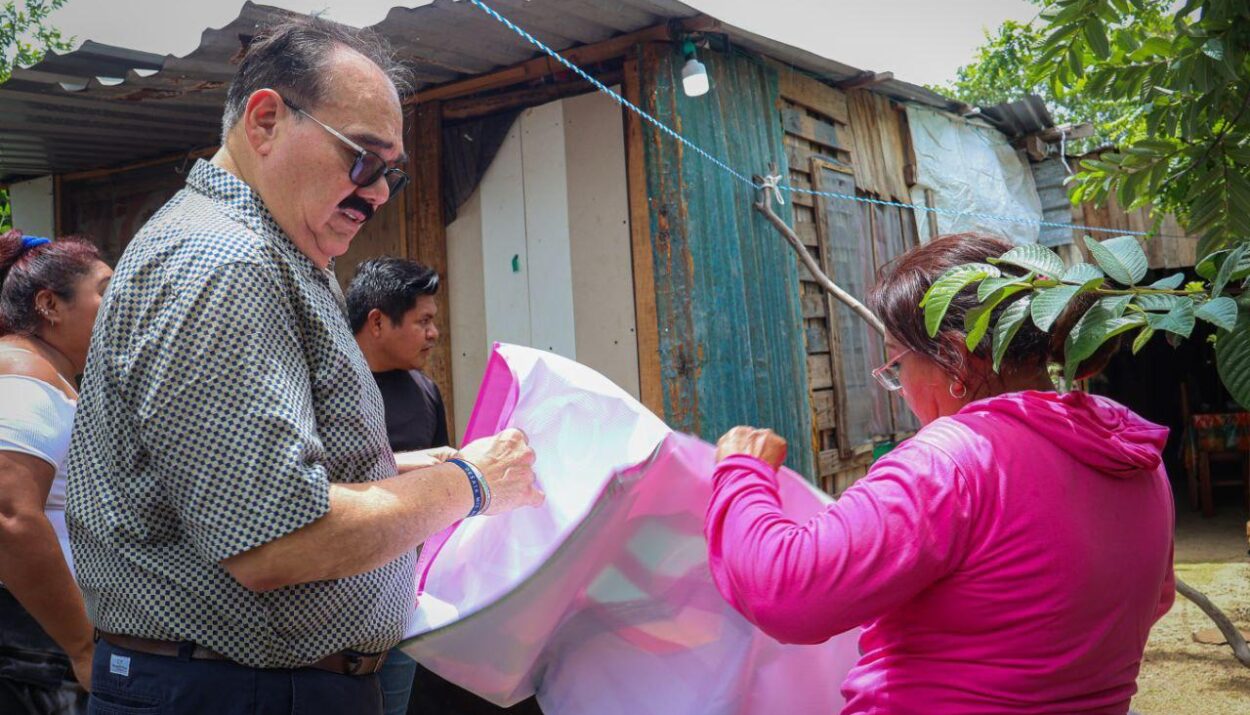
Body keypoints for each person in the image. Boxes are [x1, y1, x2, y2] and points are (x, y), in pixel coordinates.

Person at [65, 18, 543, 715]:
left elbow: (221, 484)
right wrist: (468, 483)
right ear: (265, 121)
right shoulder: (225, 262)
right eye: (364, 159)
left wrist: (400, 470)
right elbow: (275, 538)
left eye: (394, 174)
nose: (379, 193)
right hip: (238, 691)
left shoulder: (266, 247)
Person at [705, 233, 1175, 714]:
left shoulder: (952, 463)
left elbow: (785, 590)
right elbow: (1155, 600)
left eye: (896, 363)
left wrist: (743, 471)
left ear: (955, 356)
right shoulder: (1131, 449)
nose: (899, 388)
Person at [347, 257, 544, 715]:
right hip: (337, 607)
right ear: (378, 321)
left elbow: (446, 492)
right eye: (424, 321)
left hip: (405, 605)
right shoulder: (330, 387)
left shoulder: (423, 390)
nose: (435, 333)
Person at [0, 231, 112, 714]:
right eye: (105, 289)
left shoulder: (46, 375)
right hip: (33, 653)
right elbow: (10, 519)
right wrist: (81, 647)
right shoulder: (23, 380)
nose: (120, 301)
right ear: (50, 304)